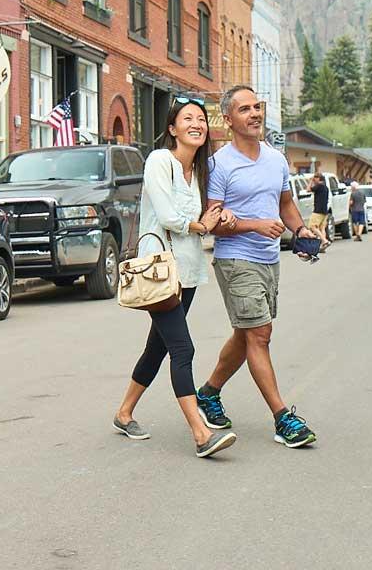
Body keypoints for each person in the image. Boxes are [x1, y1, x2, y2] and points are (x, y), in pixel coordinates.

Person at [113, 97, 238, 459]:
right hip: (159, 272)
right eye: (188, 118)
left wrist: (220, 218)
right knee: (183, 349)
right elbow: (168, 215)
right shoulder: (159, 161)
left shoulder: (199, 174)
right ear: (172, 128)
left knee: (159, 347)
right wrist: (200, 224)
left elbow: (207, 215)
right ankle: (201, 435)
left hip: (187, 272)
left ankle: (124, 413)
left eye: (201, 118)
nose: (197, 123)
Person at [196, 84, 319, 449]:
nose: (255, 114)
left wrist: (300, 229)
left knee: (245, 334)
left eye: (257, 106)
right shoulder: (220, 164)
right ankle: (283, 418)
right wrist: (254, 225)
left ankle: (208, 393)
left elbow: (284, 203)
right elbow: (212, 222)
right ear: (229, 119)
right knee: (260, 334)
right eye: (245, 109)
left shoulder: (276, 159)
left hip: (268, 259)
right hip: (236, 259)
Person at [308, 170, 331, 252]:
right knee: (322, 228)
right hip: (325, 210)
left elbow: (308, 189)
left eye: (315, 178)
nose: (314, 179)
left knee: (312, 226)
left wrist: (310, 181)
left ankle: (324, 241)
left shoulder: (319, 186)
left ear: (319, 178)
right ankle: (323, 246)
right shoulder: (325, 187)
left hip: (318, 210)